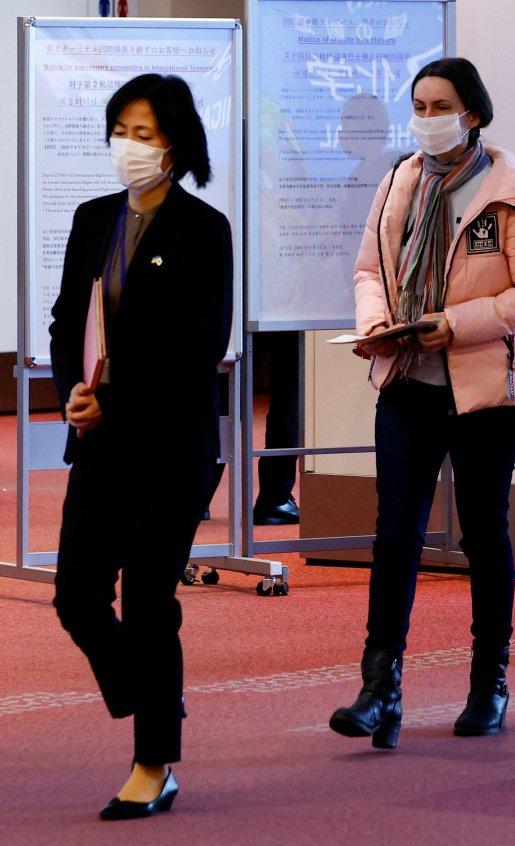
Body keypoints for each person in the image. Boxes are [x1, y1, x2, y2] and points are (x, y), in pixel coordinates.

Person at [328, 58, 515, 746]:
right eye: (419, 106)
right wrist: (378, 322)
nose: (427, 119)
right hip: (407, 378)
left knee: (483, 533)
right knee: (395, 533)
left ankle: (489, 683)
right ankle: (379, 688)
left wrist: (454, 324)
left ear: (473, 114)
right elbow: (370, 270)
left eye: (441, 107)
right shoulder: (399, 181)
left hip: (487, 390)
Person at [48, 74, 233, 819]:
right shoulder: (93, 218)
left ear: (176, 145)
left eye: (144, 133)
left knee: (150, 600)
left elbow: (201, 346)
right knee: (75, 597)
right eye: (121, 130)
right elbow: (67, 319)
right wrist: (72, 390)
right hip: (99, 441)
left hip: (170, 445)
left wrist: (114, 401)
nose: (128, 145)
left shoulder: (204, 228)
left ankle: (153, 764)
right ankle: (154, 696)